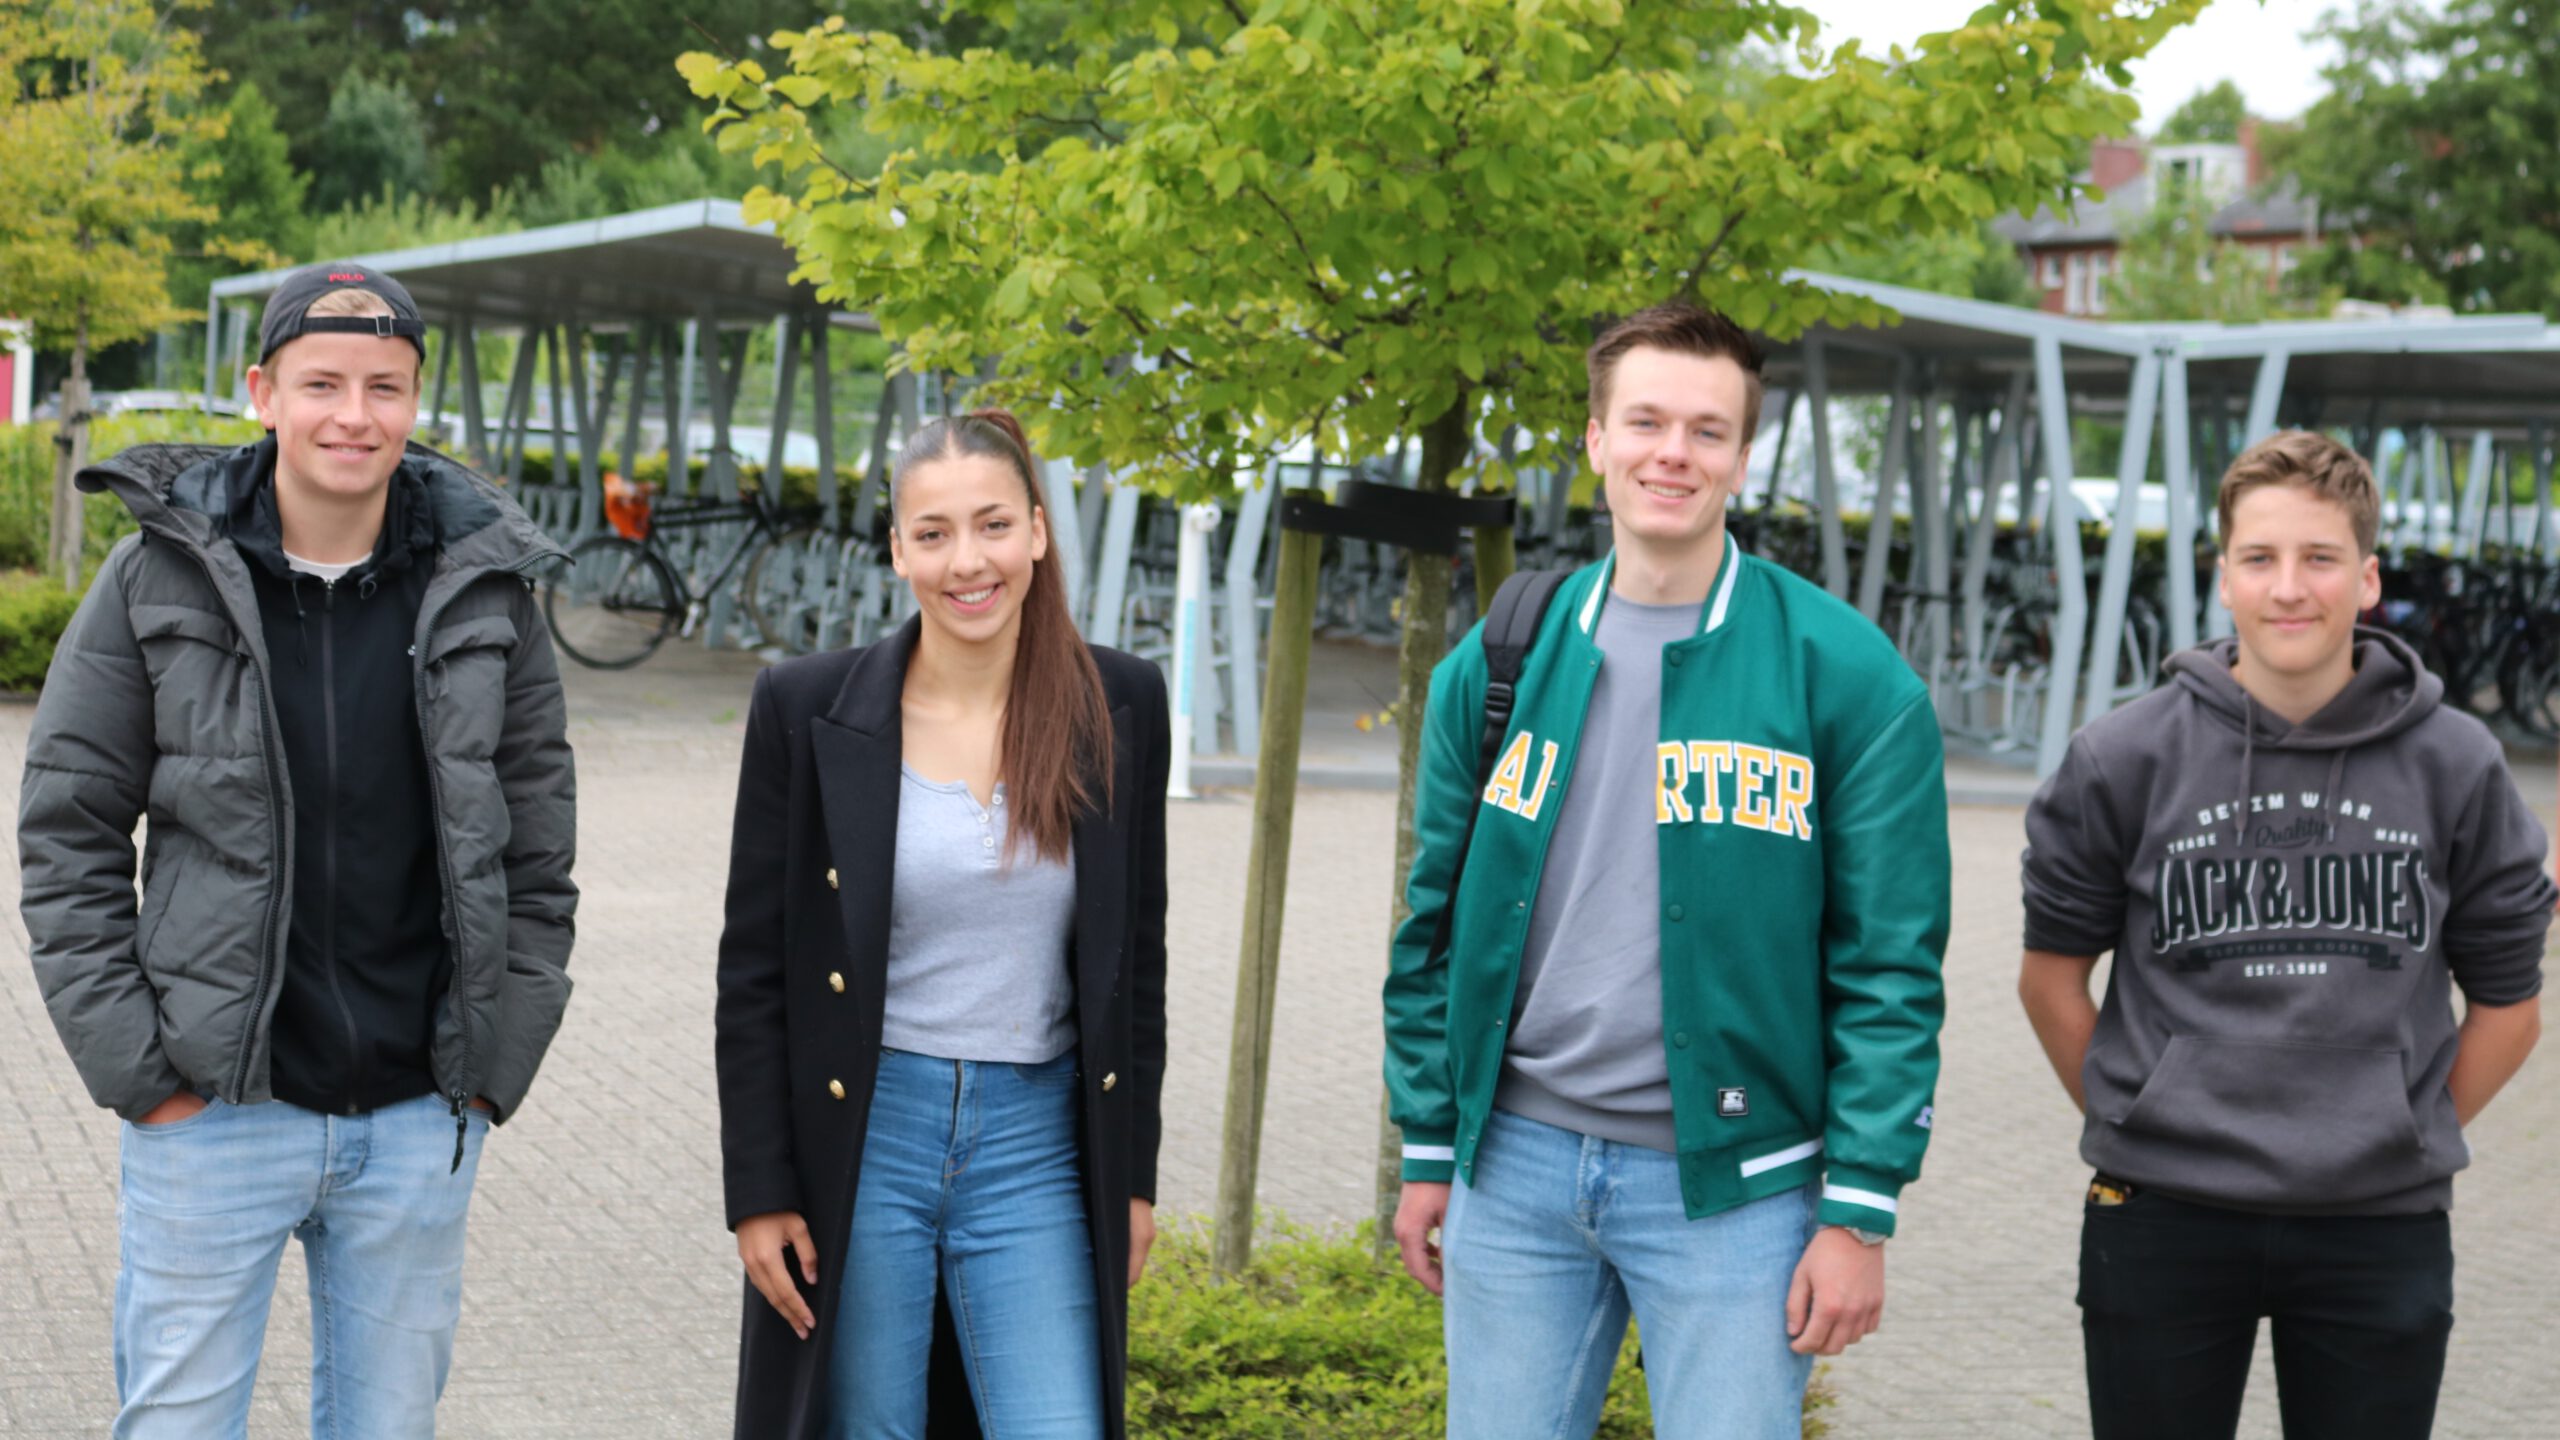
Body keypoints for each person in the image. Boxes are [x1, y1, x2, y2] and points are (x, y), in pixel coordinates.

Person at [17, 261, 578, 1438]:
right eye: (322, 383)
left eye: (384, 386)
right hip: (212, 1109)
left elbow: (537, 852)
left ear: (415, 401)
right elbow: (66, 830)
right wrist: (144, 1078)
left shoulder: (486, 592)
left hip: (420, 1117)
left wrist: (492, 1064)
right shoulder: (154, 576)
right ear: (263, 393)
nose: (353, 415)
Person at [1381, 302, 1951, 1439]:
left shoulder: (1845, 674)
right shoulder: (1499, 659)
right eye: (1645, 422)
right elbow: (1431, 923)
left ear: (1742, 456)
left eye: (1706, 430)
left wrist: (1859, 1207)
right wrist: (1431, 1142)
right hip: (1514, 1170)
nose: (1672, 454)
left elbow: (1890, 964)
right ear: (1596, 439)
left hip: (1739, 1189)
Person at [2018, 430, 2552, 1440]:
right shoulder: (2121, 757)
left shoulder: (2456, 763)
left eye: (2320, 558)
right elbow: (2048, 981)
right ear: (2223, 577)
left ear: (2368, 579)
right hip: (2162, 1215)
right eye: (2260, 558)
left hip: (2379, 1226)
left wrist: (2398, 1130)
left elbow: (2510, 1006)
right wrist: (2147, 1114)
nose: (2289, 587)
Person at [715, 408, 1170, 1439]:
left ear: (1038, 531)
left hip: (1038, 1143)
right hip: (868, 1131)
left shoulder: (1120, 704)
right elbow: (754, 971)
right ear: (898, 550)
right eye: (934, 533)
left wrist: (1132, 1175)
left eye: (994, 525)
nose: (968, 561)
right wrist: (759, 1187)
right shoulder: (805, 707)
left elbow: (1133, 964)